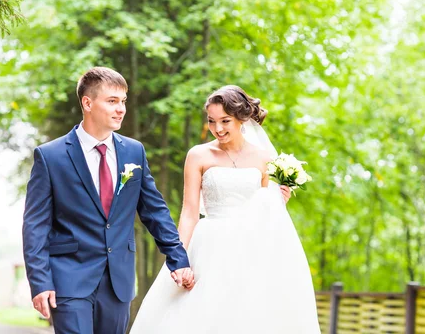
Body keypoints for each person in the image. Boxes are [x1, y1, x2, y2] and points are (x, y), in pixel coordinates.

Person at [130, 85, 321, 333]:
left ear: (241, 118)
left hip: (251, 249)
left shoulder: (264, 159)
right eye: (211, 121)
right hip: (209, 247)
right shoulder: (198, 155)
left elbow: (266, 212)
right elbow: (189, 212)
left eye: (225, 121)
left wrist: (278, 200)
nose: (218, 128)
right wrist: (178, 257)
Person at [22, 67, 195, 334]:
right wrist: (40, 281)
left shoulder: (134, 152)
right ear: (87, 103)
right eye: (112, 101)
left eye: (123, 101)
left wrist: (178, 257)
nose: (121, 109)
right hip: (69, 279)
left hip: (119, 281)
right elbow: (35, 226)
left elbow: (154, 211)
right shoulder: (50, 156)